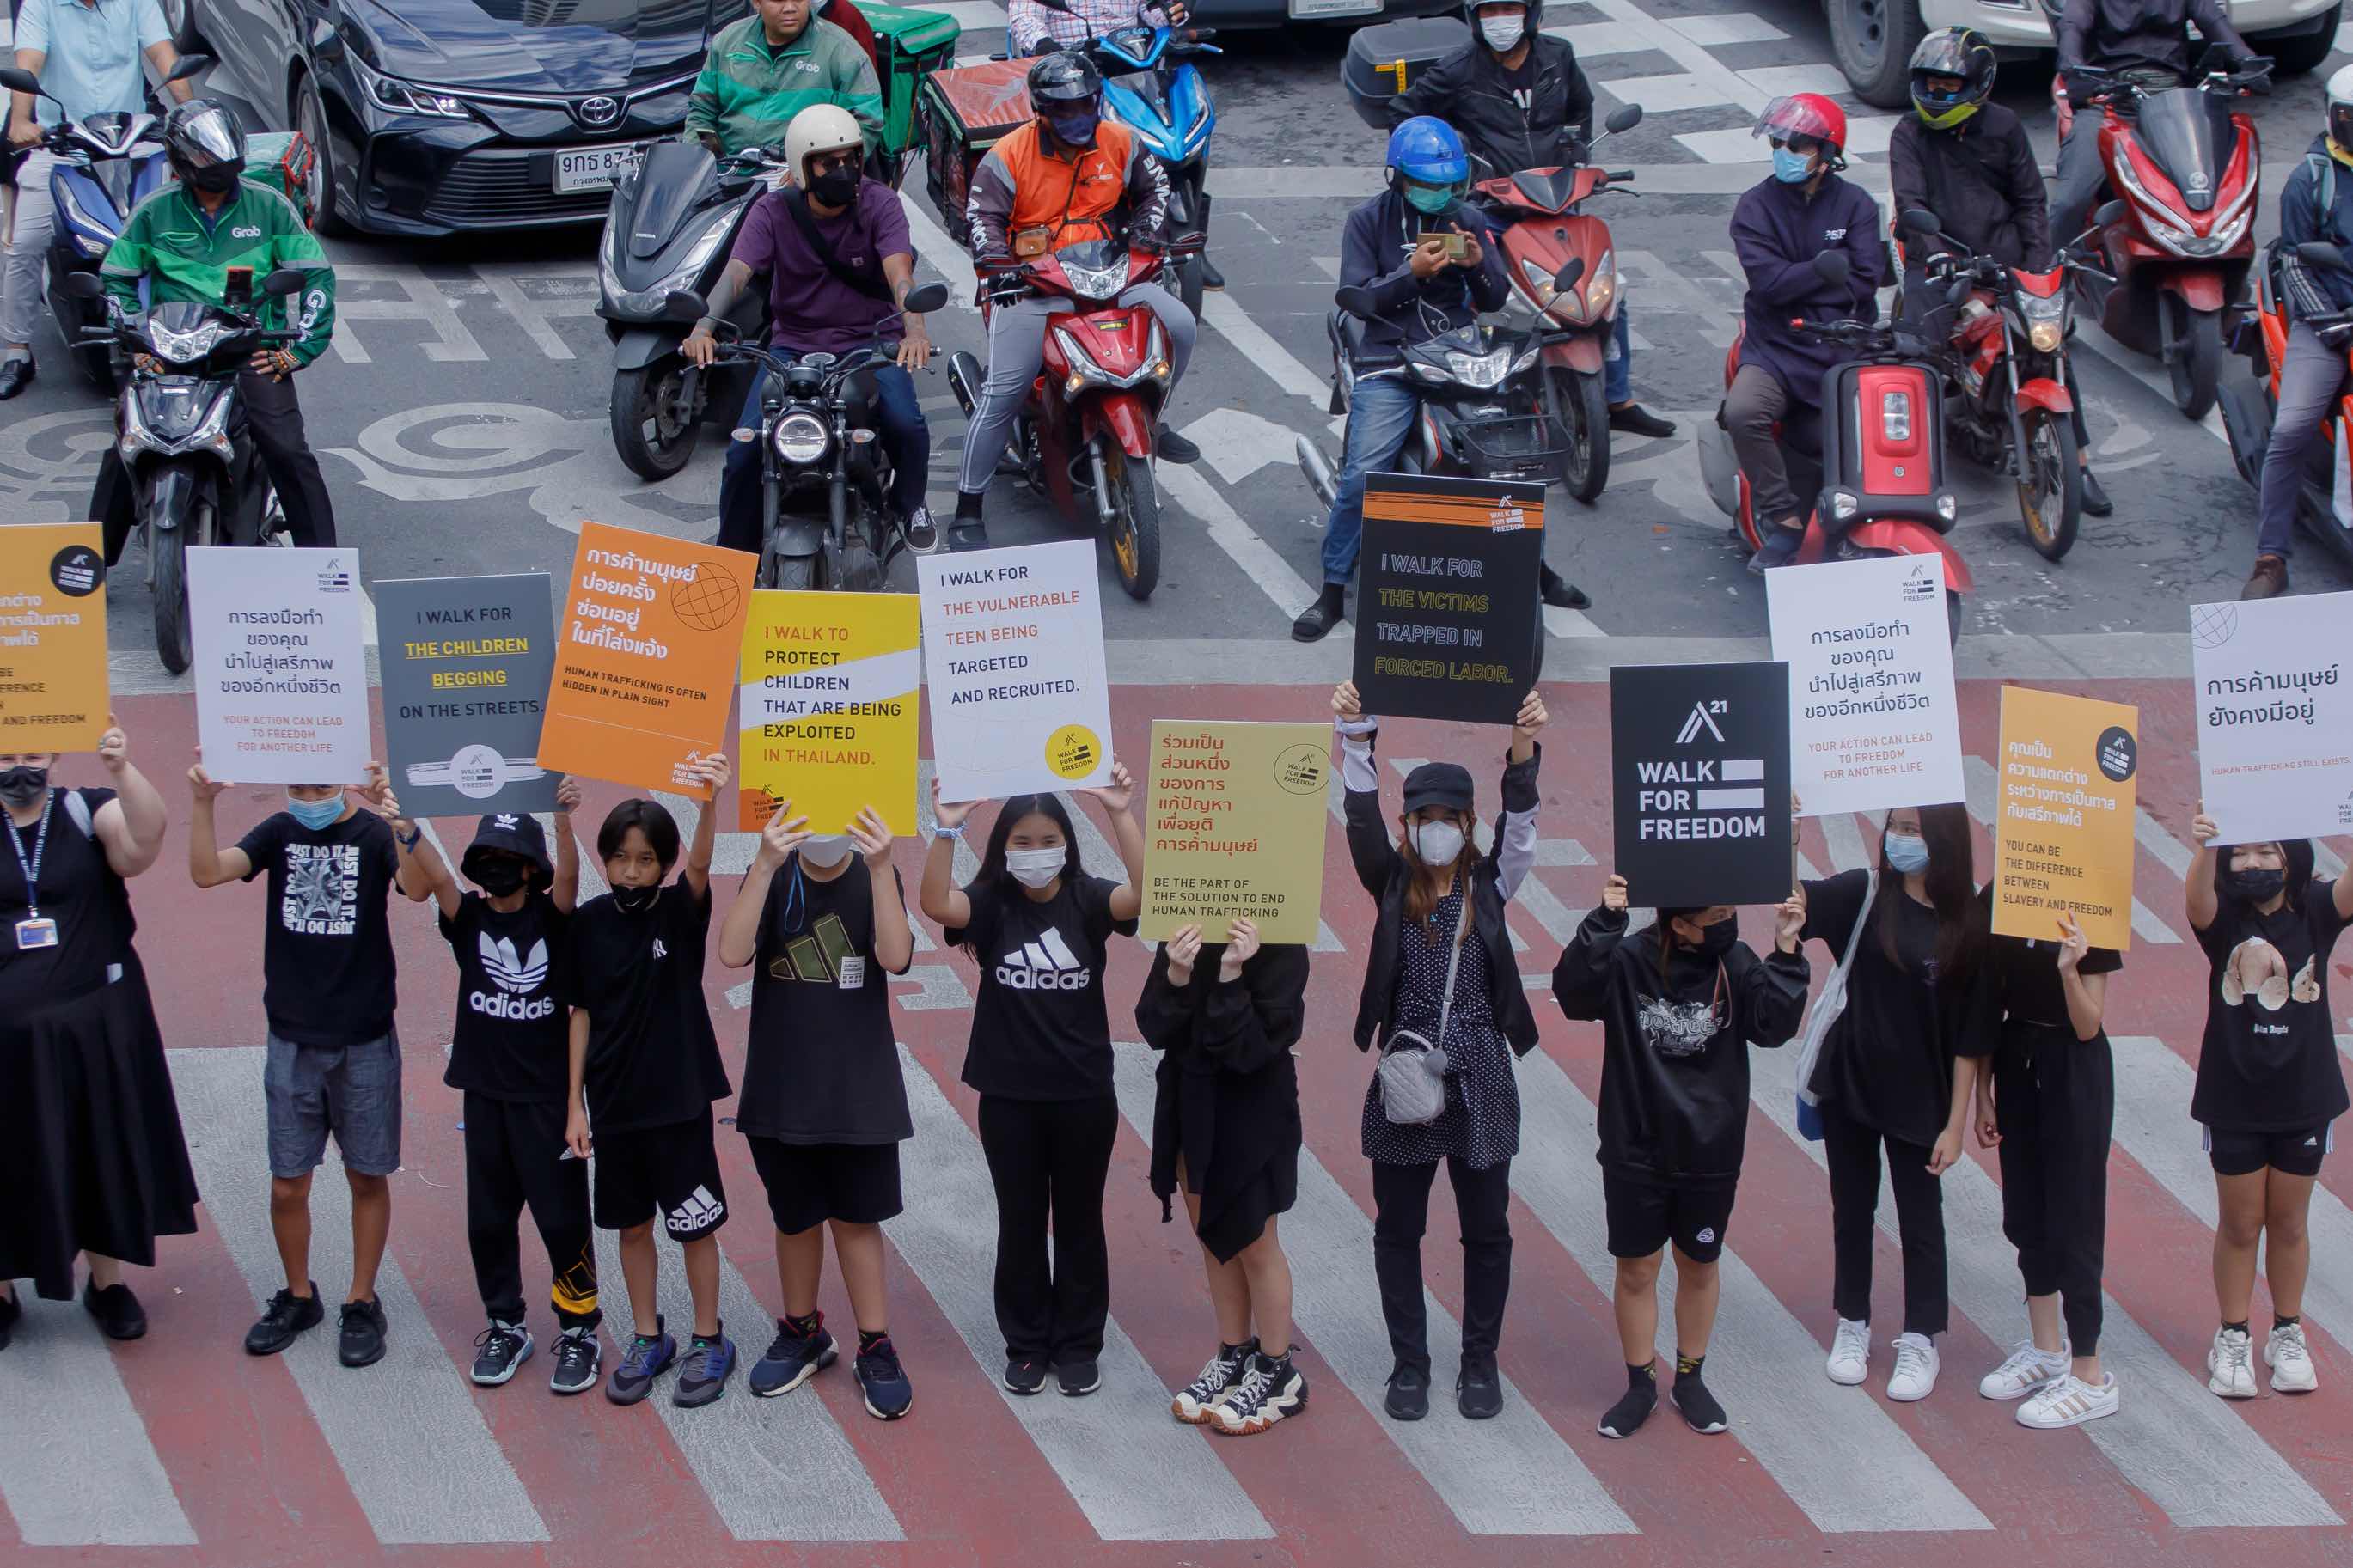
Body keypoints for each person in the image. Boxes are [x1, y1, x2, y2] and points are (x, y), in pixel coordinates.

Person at [1334, 678, 1548, 1421]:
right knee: (1399, 1229)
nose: (1436, 829)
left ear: (1467, 822)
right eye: (1422, 818)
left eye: (1448, 818)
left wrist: (1522, 748)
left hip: (1481, 1072)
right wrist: (1357, 733)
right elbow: (1358, 816)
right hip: (1406, 1075)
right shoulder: (1390, 883)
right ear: (1408, 825)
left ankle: (1479, 1364)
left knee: (1486, 1229)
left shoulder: (1492, 884)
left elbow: (1521, 825)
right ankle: (1410, 1366)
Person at [1294, 119, 1577, 640]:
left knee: (1503, 463)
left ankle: (1535, 569)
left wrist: (1473, 265)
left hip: (1460, 357)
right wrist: (1412, 275)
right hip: (1391, 359)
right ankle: (1333, 588)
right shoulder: (1367, 222)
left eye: (1448, 184)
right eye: (1429, 183)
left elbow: (1492, 298)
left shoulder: (1468, 217)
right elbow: (1355, 295)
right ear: (1398, 177)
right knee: (1364, 475)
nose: (1440, 194)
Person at [187, 753, 426, 1370]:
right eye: (297, 786)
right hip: (291, 1038)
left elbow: (418, 886)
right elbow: (207, 872)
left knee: (366, 1175)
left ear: (345, 778)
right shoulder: (278, 831)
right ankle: (299, 1295)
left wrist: (402, 820)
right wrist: (204, 801)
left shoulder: (373, 834)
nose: (308, 796)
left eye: (320, 785)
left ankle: (361, 1298)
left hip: (365, 1038)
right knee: (288, 1181)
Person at [1552, 873, 1809, 1438]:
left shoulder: (1736, 963)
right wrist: (1603, 920)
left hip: (1710, 1152)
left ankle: (1689, 1376)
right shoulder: (1626, 961)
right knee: (1638, 1268)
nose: (1727, 922)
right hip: (1635, 1147)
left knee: (1699, 1265)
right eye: (1715, 915)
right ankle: (1640, 1382)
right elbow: (1572, 992)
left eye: (1728, 912)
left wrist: (1787, 950)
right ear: (1680, 924)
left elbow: (1773, 1025)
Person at [918, 766, 1146, 1397]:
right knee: (1020, 1221)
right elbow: (936, 903)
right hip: (1009, 1098)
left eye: (1048, 838)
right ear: (1003, 848)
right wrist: (946, 827)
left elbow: (1148, 893)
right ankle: (1025, 1343)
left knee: (1079, 1220)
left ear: (1068, 845)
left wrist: (1121, 812)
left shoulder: (1090, 898)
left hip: (1083, 1095)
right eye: (1022, 840)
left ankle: (1077, 1343)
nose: (1035, 851)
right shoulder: (991, 903)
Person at [1384, 0, 1676, 461]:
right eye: (1490, 11)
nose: (1502, 19)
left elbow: (1581, 107)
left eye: (1510, 8)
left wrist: (1576, 146)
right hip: (1489, 205)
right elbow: (1403, 112)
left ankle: (1617, 398)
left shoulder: (1558, 56)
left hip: (1554, 199)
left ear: (1531, 12)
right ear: (1475, 19)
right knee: (1464, 291)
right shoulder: (1458, 68)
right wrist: (1455, 157)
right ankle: (1463, 394)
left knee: (1607, 292)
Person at [398, 788, 607, 1395]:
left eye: (507, 855)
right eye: (484, 852)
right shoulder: (467, 918)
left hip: (546, 1101)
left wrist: (564, 819)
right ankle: (505, 1323)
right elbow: (434, 873)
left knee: (563, 1218)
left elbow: (568, 874)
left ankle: (579, 1329)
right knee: (488, 1219)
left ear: (529, 867)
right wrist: (404, 824)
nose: (493, 864)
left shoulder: (552, 917)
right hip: (483, 1095)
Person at [716, 801, 918, 1421]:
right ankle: (803, 1331)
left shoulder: (873, 873)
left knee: (857, 1219)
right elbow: (730, 950)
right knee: (796, 1216)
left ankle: (876, 1344)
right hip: (783, 1085)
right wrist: (765, 860)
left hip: (859, 1088)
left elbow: (896, 954)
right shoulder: (774, 872)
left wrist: (883, 867)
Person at [950, 50, 1199, 552]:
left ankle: (1153, 415)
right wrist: (999, 267)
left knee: (1181, 324)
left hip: (1108, 272)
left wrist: (1148, 240)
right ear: (1041, 112)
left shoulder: (1121, 140)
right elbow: (983, 221)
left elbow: (1156, 189)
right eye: (1064, 111)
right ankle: (968, 507)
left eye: (1086, 106)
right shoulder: (1008, 156)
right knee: (1004, 392)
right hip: (1033, 284)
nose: (1078, 119)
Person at [0, 723, 196, 1351]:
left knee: (99, 1144)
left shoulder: (87, 807)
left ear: (55, 755)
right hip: (7, 1039)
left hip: (97, 1025)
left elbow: (142, 843)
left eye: (32, 755)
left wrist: (122, 769)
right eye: (6, 756)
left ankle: (106, 1284)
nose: (20, 768)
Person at [684, 103, 938, 558]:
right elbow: (737, 271)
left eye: (851, 159)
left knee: (906, 424)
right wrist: (704, 326)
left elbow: (901, 274)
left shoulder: (880, 203)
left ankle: (910, 506)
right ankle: (732, 561)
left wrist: (914, 331)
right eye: (829, 161)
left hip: (869, 343)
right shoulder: (771, 211)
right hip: (791, 347)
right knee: (745, 448)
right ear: (803, 166)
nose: (844, 170)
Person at [561, 760, 738, 1409]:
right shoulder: (587, 923)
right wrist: (574, 1105)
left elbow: (699, 869)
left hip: (680, 1101)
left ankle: (708, 1337)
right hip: (614, 1104)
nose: (631, 871)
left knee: (694, 1225)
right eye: (620, 858)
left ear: (662, 864)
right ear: (605, 860)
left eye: (645, 859)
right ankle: (646, 1337)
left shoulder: (678, 914)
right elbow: (578, 1013)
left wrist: (708, 804)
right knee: (631, 1229)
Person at [1796, 804, 1987, 1402]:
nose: (1901, 839)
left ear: (1944, 840)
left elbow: (1970, 1039)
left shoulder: (1966, 924)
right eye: (1896, 828)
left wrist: (1956, 1124)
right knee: (1851, 1208)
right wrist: (1788, 837)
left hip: (1922, 1096)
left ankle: (1921, 1336)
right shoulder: (1862, 894)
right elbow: (1794, 903)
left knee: (1920, 1219)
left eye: (1915, 830)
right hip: (1850, 1083)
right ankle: (1852, 1321)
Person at [95, 100, 338, 550]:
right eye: (206, 159)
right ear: (181, 162)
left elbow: (316, 277)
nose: (218, 167)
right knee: (124, 444)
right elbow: (116, 281)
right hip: (172, 350)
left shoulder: (270, 207)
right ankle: (85, 564)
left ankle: (324, 563)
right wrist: (135, 340)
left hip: (250, 350)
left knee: (286, 448)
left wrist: (298, 350)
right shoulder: (154, 212)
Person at [1890, 28, 2109, 516]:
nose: (1937, 94)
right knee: (1917, 360)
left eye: (1949, 86)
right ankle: (1909, 471)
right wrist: (1938, 255)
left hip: (2005, 260)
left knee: (2049, 346)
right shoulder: (1908, 133)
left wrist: (2039, 264)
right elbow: (1910, 205)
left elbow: (2031, 201)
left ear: (1979, 85)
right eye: (1929, 84)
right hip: (1939, 259)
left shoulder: (2005, 126)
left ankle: (2080, 461)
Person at [2185, 804, 2351, 1399]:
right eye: (2241, 853)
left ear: (2291, 857)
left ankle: (2287, 1331)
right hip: (2233, 1098)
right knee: (2239, 1222)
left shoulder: (2316, 912)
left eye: (2266, 851)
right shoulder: (2224, 918)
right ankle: (2232, 1335)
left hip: (2305, 1099)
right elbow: (2196, 902)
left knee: (2288, 1221)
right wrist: (2205, 844)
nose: (2252, 862)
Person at [1137, 917, 1310, 1436]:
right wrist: (1176, 973)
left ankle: (1277, 1371)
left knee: (1256, 1241)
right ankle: (1234, 1354)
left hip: (1253, 1110)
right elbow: (1152, 1026)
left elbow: (1252, 1051)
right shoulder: (1186, 929)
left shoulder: (1281, 945)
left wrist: (1233, 976)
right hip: (1191, 1103)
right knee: (1213, 1236)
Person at [1968, 905, 2122, 1429]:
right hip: (2017, 1057)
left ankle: (2088, 1373)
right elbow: (1990, 1004)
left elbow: (2088, 1024)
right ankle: (2046, 1350)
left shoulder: (2094, 902)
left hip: (2074, 1066)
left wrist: (2069, 967)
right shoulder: (2005, 893)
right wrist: (1983, 1095)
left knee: (2074, 1216)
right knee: (2026, 1212)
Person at [1727, 93, 1887, 575]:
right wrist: (1823, 269)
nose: (1784, 152)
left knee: (1868, 429)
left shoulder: (1857, 205)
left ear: (1827, 154)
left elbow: (1865, 278)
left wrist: (1807, 277)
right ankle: (1785, 521)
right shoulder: (1754, 207)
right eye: (1779, 142)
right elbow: (1769, 285)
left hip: (1844, 345)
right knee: (1743, 412)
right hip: (1775, 347)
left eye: (1797, 146)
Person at [3, 0, 195, 399]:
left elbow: (162, 53)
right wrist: (22, 120)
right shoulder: (42, 5)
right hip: (62, 144)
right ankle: (16, 348)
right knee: (25, 244)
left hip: (133, 141)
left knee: (180, 227)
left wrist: (190, 110)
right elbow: (29, 62)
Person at [2245, 66, 2353, 601]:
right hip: (2329, 322)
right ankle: (2271, 557)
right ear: (2334, 117)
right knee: (2291, 433)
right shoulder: (2312, 179)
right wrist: (2334, 325)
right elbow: (2295, 263)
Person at [2050, 0, 2254, 251]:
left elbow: (2214, 21)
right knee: (2071, 201)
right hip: (2109, 100)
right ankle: (2045, 275)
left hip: (2171, 101)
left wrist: (2248, 61)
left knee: (2217, 184)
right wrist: (2074, 72)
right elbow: (2072, 27)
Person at [685, 0, 883, 160]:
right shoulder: (728, 40)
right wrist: (699, 161)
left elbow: (867, 123)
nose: (789, 8)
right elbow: (701, 110)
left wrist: (815, 170)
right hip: (726, 174)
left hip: (799, 183)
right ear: (756, 3)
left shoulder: (843, 52)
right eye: (778, 0)